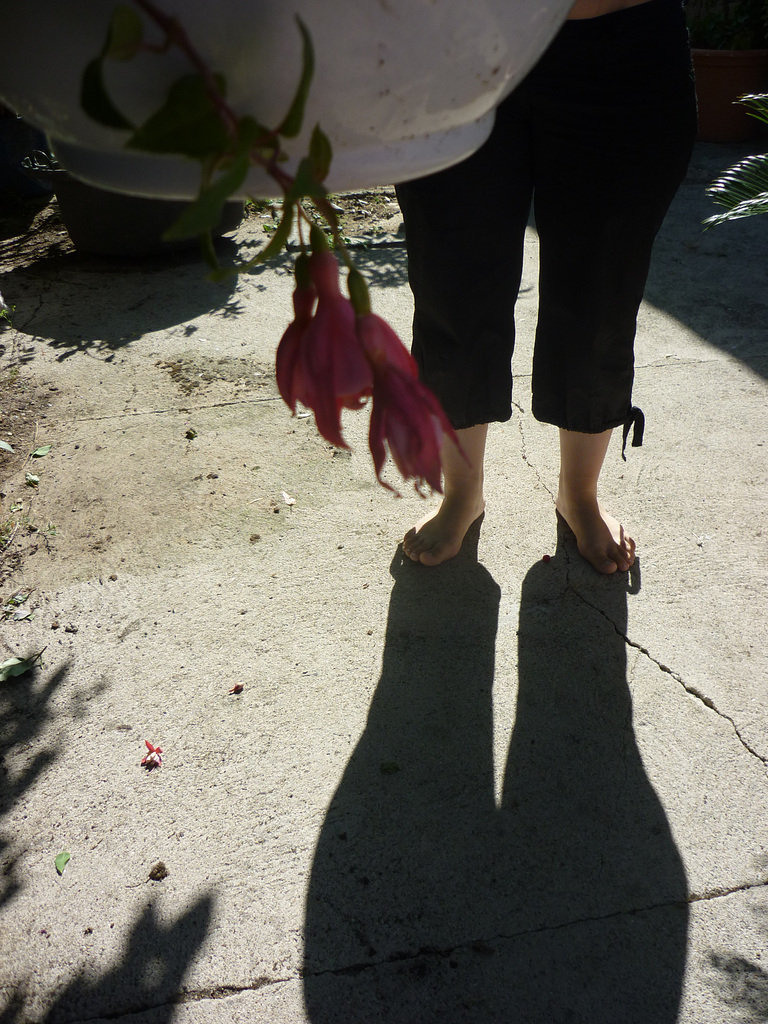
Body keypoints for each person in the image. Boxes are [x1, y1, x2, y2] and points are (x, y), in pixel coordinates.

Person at [395, 0, 697, 573]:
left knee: (602, 291)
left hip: (622, 41)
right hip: (455, 38)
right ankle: (463, 491)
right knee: (452, 284)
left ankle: (579, 493)